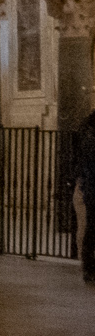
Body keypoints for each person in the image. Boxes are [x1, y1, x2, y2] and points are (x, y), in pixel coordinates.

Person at [75, 108, 95, 287]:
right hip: (92, 190)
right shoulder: (90, 141)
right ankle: (89, 268)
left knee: (90, 230)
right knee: (90, 230)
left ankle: (89, 268)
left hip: (90, 190)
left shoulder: (87, 138)